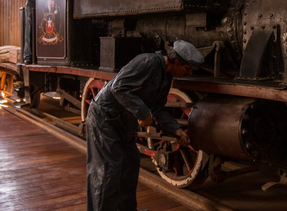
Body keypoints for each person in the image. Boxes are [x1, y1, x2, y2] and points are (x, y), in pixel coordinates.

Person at [86, 40, 204, 211]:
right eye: (187, 68)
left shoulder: (166, 76)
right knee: (108, 170)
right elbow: (118, 87)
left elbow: (157, 108)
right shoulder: (147, 62)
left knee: (130, 163)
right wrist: (143, 113)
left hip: (123, 122)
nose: (189, 72)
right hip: (104, 118)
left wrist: (177, 130)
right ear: (177, 62)